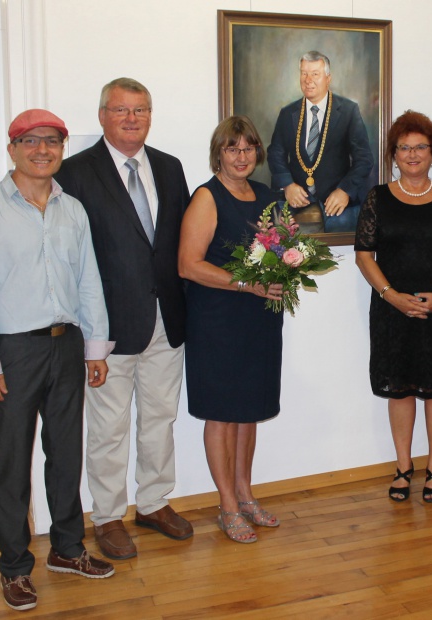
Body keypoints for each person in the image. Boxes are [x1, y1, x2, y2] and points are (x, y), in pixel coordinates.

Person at [0, 109, 115, 611]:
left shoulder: (73, 209)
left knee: (66, 454)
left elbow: (89, 279)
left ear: (62, 147)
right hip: (13, 351)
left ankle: (67, 550)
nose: (41, 149)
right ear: (12, 149)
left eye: (51, 140)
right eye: (30, 141)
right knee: (12, 463)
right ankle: (14, 568)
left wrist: (95, 346)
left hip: (66, 344)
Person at [54, 78, 192, 560]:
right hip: (106, 327)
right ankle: (108, 516)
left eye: (141, 110)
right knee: (109, 427)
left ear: (150, 116)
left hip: (165, 320)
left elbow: (179, 243)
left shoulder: (171, 169)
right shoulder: (72, 173)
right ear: (102, 116)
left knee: (160, 417)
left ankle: (153, 503)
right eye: (121, 110)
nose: (132, 119)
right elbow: (67, 255)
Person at [355, 110, 432, 502]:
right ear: (393, 154)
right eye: (404, 147)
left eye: (420, 146)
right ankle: (404, 467)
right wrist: (391, 295)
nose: (412, 154)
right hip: (393, 311)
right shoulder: (378, 198)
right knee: (400, 389)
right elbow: (364, 255)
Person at [178, 116, 284, 543]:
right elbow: (188, 265)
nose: (241, 157)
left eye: (248, 148)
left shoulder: (267, 196)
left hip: (258, 320)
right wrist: (248, 283)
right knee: (222, 414)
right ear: (217, 154)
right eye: (231, 149)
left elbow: (281, 250)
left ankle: (245, 494)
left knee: (248, 411)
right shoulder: (207, 197)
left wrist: (283, 277)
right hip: (217, 320)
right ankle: (225, 505)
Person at [268, 50, 374, 233]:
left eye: (315, 74)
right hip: (296, 199)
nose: (308, 80)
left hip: (337, 201)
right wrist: (287, 184)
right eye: (304, 73)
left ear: (328, 78)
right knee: (283, 248)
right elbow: (275, 154)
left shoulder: (348, 111)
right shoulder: (288, 113)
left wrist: (345, 191)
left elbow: (364, 159)